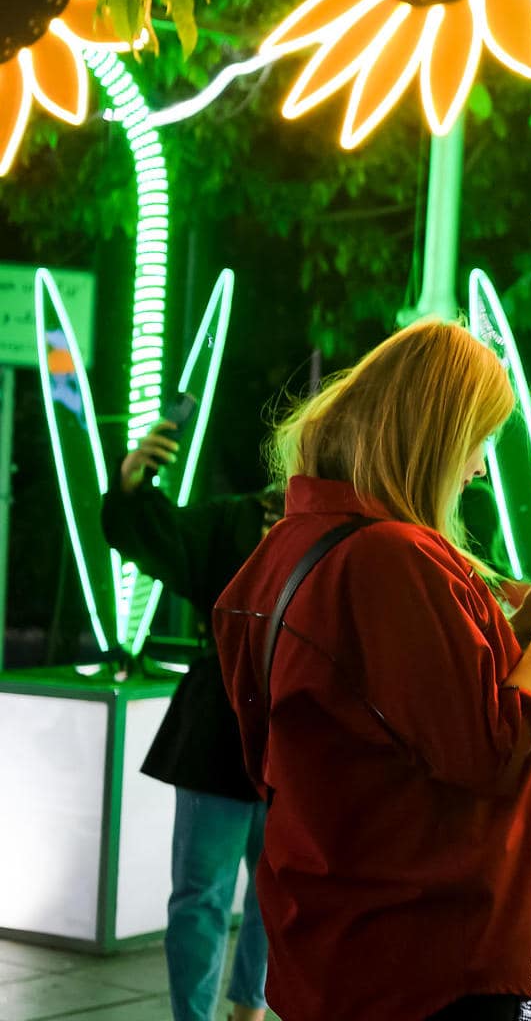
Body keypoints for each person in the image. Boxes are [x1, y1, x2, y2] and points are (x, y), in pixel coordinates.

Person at [212, 320, 531, 1021]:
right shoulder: (393, 558)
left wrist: (513, 631)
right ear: (432, 439)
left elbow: (395, 702)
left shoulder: (301, 538)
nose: (481, 467)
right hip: (416, 940)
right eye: (477, 442)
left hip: (337, 914)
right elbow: (484, 750)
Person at [103, 423, 279, 1021]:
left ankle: (250, 1005)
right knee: (199, 894)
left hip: (301, 730)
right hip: (219, 727)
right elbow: (161, 536)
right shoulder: (235, 520)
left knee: (278, 892)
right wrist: (130, 486)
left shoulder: (352, 532)